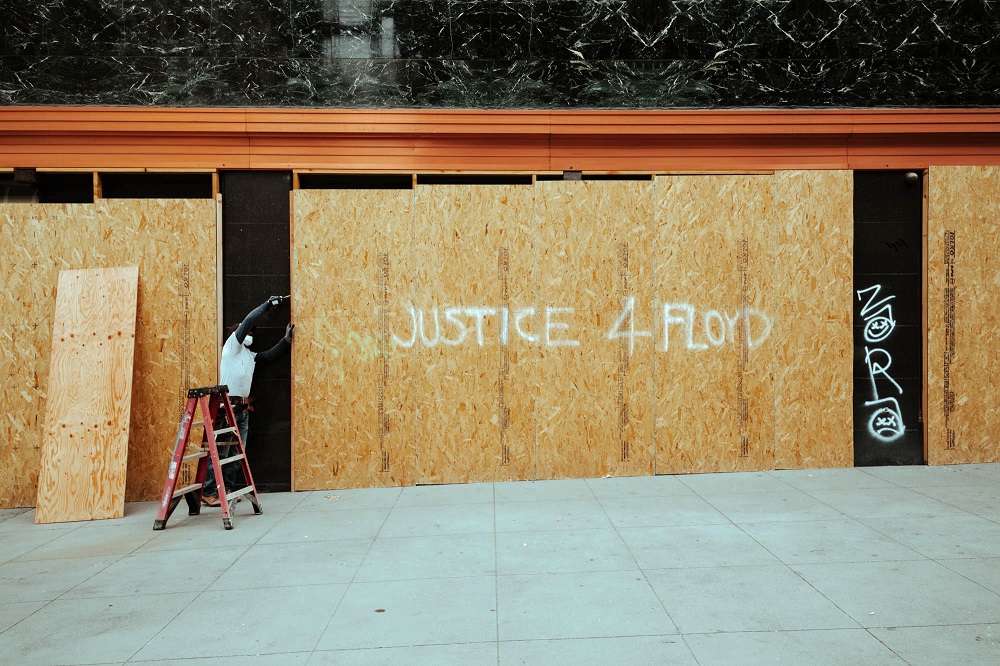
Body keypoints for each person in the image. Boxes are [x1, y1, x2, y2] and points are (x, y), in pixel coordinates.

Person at [202, 295, 294, 507]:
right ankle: (209, 492)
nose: (251, 335)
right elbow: (249, 320)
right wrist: (268, 305)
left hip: (242, 410)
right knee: (220, 451)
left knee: (237, 452)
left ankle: (229, 489)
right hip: (227, 408)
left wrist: (285, 340)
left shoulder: (250, 356)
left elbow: (270, 355)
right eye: (249, 332)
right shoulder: (231, 347)